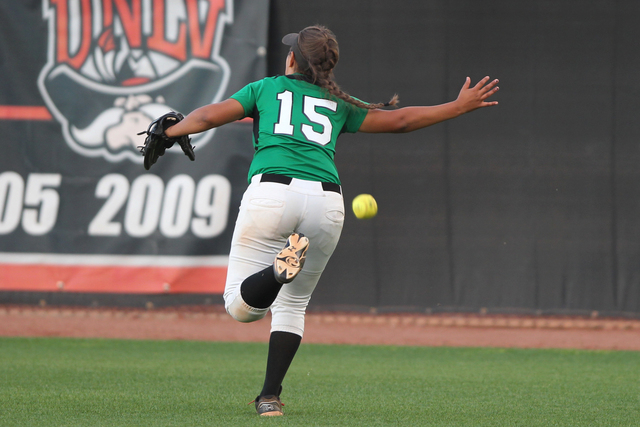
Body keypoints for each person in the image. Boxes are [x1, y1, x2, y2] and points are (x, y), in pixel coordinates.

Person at [164, 25, 499, 416]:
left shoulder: (266, 88)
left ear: (292, 59)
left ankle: (275, 272)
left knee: (241, 308)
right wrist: (458, 106)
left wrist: (169, 130)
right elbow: (401, 121)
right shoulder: (336, 99)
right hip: (326, 203)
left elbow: (206, 117)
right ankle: (269, 397)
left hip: (272, 193)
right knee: (293, 306)